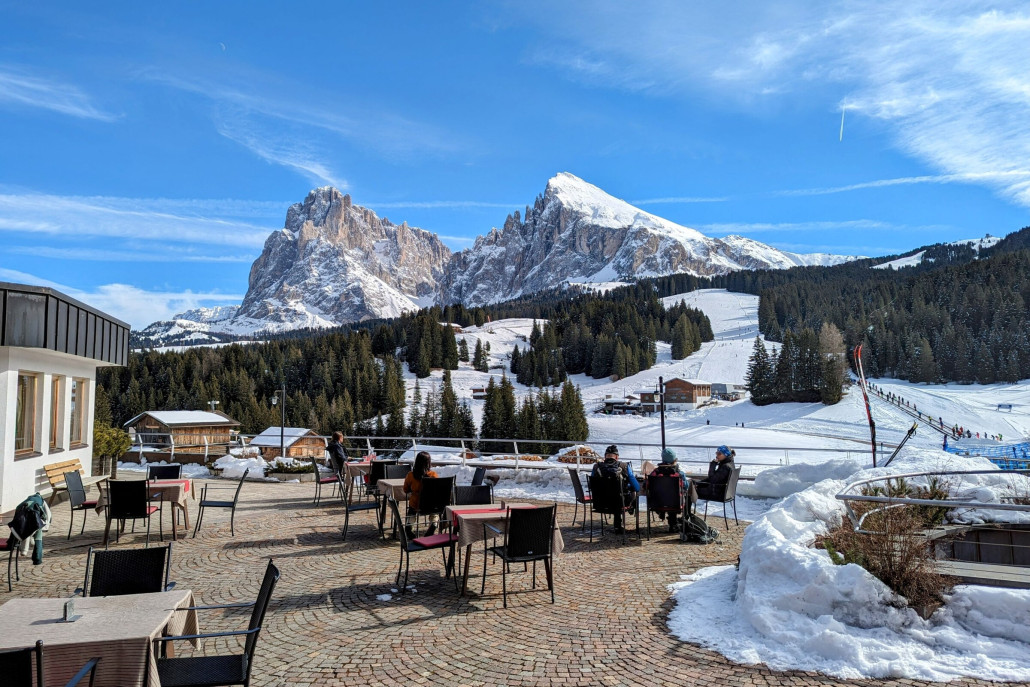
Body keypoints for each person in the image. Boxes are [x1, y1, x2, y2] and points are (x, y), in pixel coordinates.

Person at [591, 445, 640, 533]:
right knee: (629, 492)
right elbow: (637, 487)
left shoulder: (596, 467)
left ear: (605, 456)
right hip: (620, 502)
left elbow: (592, 485)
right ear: (617, 457)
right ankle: (627, 520)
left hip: (601, 502)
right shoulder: (624, 466)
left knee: (614, 495)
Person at [648, 448, 688, 532]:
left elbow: (647, 485)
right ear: (674, 460)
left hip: (657, 503)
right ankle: (677, 523)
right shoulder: (679, 474)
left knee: (666, 497)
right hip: (675, 503)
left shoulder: (655, 473)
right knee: (676, 497)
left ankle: (662, 513)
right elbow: (686, 486)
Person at [403, 451, 438, 537]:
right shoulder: (433, 475)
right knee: (435, 512)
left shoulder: (410, 475)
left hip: (416, 504)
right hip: (430, 504)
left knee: (411, 511)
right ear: (429, 462)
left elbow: (405, 490)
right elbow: (437, 490)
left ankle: (409, 525)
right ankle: (433, 523)